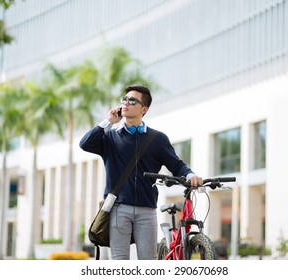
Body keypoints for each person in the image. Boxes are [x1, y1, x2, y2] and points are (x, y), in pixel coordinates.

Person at [79, 84, 203, 260]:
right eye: (124, 99)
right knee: (120, 261)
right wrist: (109, 121)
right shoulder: (110, 137)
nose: (125, 103)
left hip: (147, 211)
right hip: (118, 209)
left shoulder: (157, 139)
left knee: (147, 262)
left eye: (132, 100)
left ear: (144, 109)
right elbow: (85, 143)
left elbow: (176, 165)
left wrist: (191, 175)